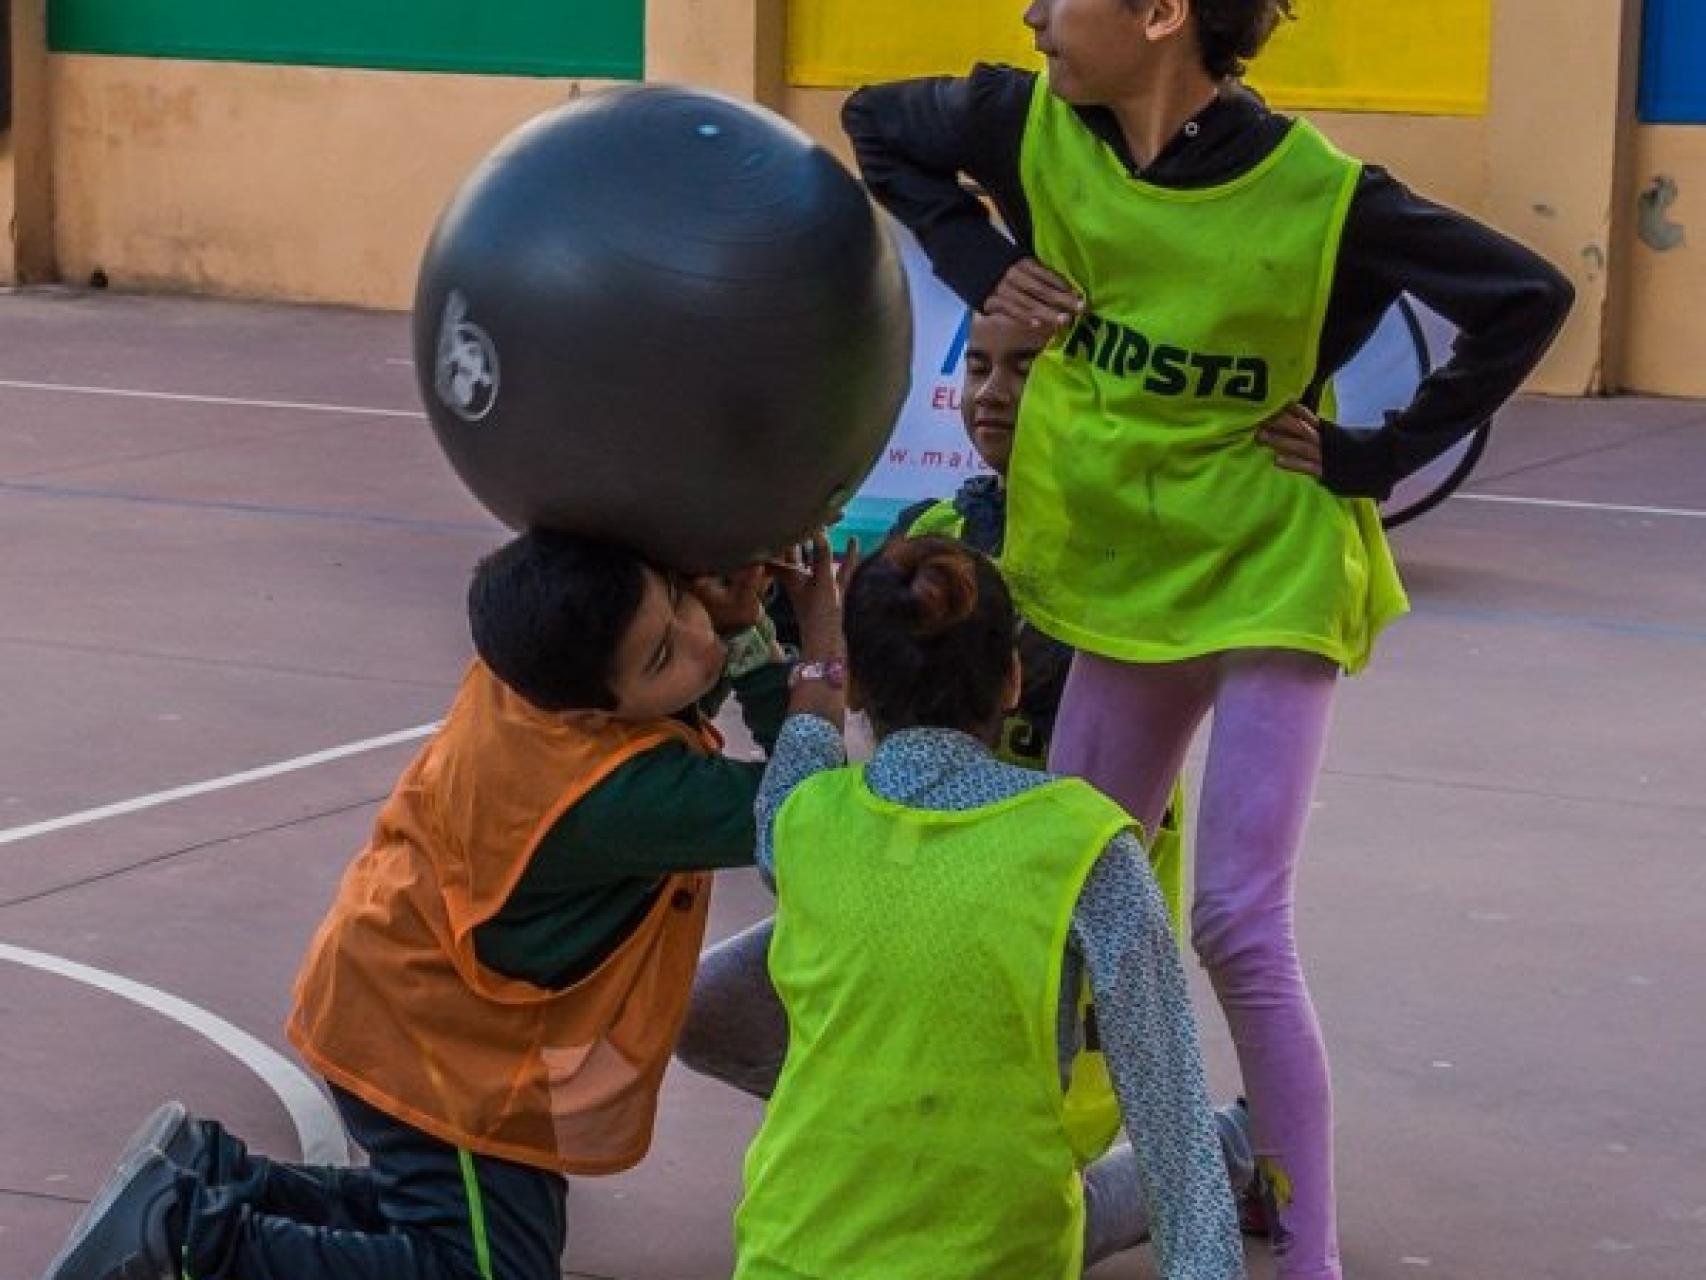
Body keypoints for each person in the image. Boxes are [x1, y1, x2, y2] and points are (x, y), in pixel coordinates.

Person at [842, 3, 1574, 1276]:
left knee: (1236, 916)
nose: (1032, 14)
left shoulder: (1319, 194)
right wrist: (975, 259)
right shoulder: (1029, 128)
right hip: (1125, 572)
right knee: (1062, 905)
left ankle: (1302, 1254)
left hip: (1267, 570)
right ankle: (1031, 1203)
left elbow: (1526, 292)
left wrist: (1376, 455)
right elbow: (873, 126)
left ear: (1159, 13)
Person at [39, 529, 834, 1280]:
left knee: (470, 1223)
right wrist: (810, 659)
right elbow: (808, 812)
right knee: (484, 1268)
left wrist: (731, 615)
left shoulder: (536, 669)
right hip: (439, 1048)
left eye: (679, 602)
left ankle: (212, 1179)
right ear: (596, 708)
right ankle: (189, 1237)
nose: (700, 641)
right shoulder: (621, 797)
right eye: (664, 653)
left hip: (408, 988)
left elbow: (682, 686)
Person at [732, 533, 1244, 1279]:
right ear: (1010, 680)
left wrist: (821, 642)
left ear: (864, 690)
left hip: (792, 1250)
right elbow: (1170, 1119)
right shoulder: (1084, 844)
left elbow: (809, 731)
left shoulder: (801, 822)